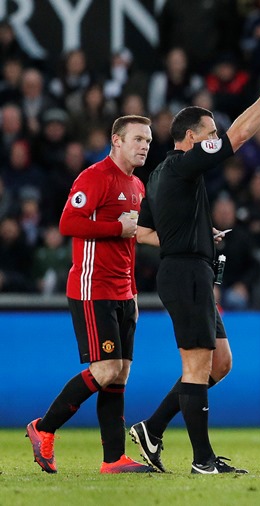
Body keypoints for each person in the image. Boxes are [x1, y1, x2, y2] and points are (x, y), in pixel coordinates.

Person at [129, 59, 260, 475]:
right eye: (209, 135)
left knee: (219, 363)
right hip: (186, 275)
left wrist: (196, 235)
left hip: (187, 267)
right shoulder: (185, 165)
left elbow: (144, 232)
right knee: (197, 366)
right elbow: (238, 134)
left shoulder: (160, 176)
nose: (215, 140)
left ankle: (152, 428)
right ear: (190, 138)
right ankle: (203, 461)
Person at [25, 115, 154, 474]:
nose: (144, 145)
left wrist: (133, 296)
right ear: (116, 140)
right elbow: (68, 223)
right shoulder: (94, 177)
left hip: (123, 292)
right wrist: (116, 227)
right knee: (106, 368)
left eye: (148, 140)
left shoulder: (137, 186)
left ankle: (113, 459)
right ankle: (43, 428)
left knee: (121, 373)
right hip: (92, 288)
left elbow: (130, 245)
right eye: (138, 139)